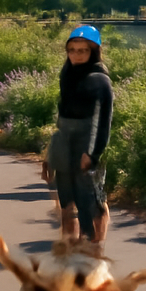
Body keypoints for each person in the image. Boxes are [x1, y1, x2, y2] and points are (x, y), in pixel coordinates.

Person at [41, 25, 113, 243]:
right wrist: (50, 153)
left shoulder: (99, 80)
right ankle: (69, 249)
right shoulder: (68, 74)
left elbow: (102, 121)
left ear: (94, 51)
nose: (76, 55)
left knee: (92, 201)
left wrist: (91, 154)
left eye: (82, 50)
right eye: (72, 50)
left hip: (87, 144)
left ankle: (94, 250)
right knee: (67, 200)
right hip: (65, 144)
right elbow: (62, 115)